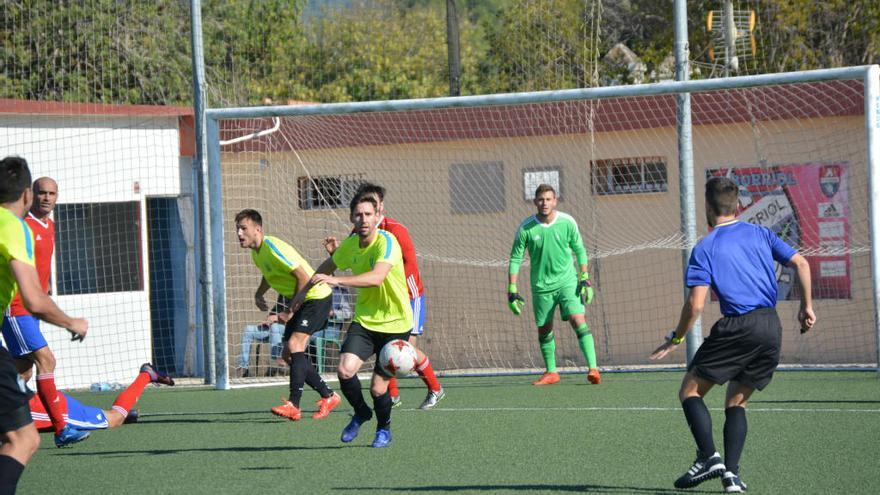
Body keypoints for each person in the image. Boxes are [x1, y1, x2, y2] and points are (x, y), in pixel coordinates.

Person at [649, 177, 815, 493]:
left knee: (690, 391)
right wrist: (806, 307)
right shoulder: (762, 234)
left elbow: (695, 304)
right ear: (738, 205)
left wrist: (677, 338)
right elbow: (802, 263)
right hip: (770, 326)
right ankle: (732, 476)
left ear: (708, 207)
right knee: (736, 401)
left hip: (738, 326)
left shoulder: (706, 247)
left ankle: (711, 457)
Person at [0, 157, 88, 493]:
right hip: (19, 308)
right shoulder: (19, 226)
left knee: (20, 369)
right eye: (41, 192)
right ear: (27, 194)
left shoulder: (48, 227)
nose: (46, 198)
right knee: (25, 437)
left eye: (53, 193)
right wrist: (70, 321)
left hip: (27, 308)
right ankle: (62, 426)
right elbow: (32, 295)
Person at [303, 193, 413, 448]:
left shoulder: (388, 242)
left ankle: (384, 429)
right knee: (344, 370)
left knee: (378, 388)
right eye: (358, 215)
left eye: (368, 214)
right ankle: (362, 412)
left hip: (396, 323)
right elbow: (326, 267)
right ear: (352, 218)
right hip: (365, 321)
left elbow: (376, 278)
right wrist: (300, 297)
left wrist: (337, 280)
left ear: (377, 217)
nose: (363, 219)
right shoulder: (351, 245)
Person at [324, 182, 444, 410]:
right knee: (386, 351)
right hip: (378, 304)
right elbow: (355, 264)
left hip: (408, 294)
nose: (367, 217)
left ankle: (435, 388)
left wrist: (397, 290)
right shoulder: (359, 232)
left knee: (404, 349)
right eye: (360, 213)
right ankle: (393, 396)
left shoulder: (396, 231)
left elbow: (408, 265)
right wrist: (334, 255)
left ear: (380, 208)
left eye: (373, 209)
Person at [235, 209, 340, 421]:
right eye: (237, 229)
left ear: (258, 229)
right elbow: (269, 274)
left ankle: (294, 404)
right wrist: (259, 293)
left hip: (316, 296)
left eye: (243, 228)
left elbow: (304, 277)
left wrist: (289, 311)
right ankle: (329, 396)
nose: (239, 233)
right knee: (289, 355)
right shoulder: (257, 253)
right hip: (304, 299)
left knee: (294, 346)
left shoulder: (272, 247)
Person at [508, 184, 599, 385]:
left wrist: (585, 278)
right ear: (535, 202)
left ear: (555, 201)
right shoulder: (526, 228)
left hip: (568, 282)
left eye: (548, 199)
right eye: (541, 199)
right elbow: (515, 258)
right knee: (544, 329)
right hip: (542, 287)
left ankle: (593, 368)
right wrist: (512, 289)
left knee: (578, 319)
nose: (545, 203)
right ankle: (551, 372)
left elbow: (580, 250)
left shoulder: (567, 222)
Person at [29, 363, 174, 432]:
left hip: (47, 408)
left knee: (115, 418)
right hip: (37, 403)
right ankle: (122, 413)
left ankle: (147, 375)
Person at [237, 295, 288, 378]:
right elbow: (272, 315)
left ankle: (275, 364)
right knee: (248, 330)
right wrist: (266, 321)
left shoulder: (298, 297)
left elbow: (297, 317)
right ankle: (243, 367)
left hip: (289, 329)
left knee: (275, 326)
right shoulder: (282, 297)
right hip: (271, 329)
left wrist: (276, 318)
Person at [307, 286, 352, 372]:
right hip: (313, 325)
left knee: (317, 340)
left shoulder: (340, 291)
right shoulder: (313, 289)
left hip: (330, 327)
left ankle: (324, 371)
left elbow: (348, 314)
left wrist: (333, 313)